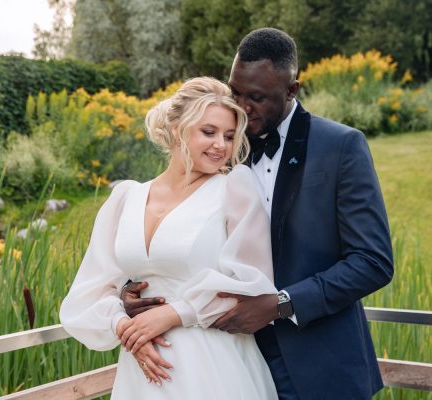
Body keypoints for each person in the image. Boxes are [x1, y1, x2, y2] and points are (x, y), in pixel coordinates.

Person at [122, 28, 394, 399]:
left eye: (257, 98)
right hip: (233, 363)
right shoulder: (222, 148)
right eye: (235, 92)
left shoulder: (340, 147)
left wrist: (282, 304)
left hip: (321, 363)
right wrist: (137, 288)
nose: (242, 107)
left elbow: (372, 261)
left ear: (292, 90)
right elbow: (181, 229)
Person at [59, 76, 279, 399]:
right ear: (178, 129)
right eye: (209, 132)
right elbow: (91, 288)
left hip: (212, 365)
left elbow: (254, 283)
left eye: (230, 136)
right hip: (142, 370)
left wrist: (174, 313)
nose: (221, 145)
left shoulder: (234, 188)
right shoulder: (126, 197)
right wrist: (125, 328)